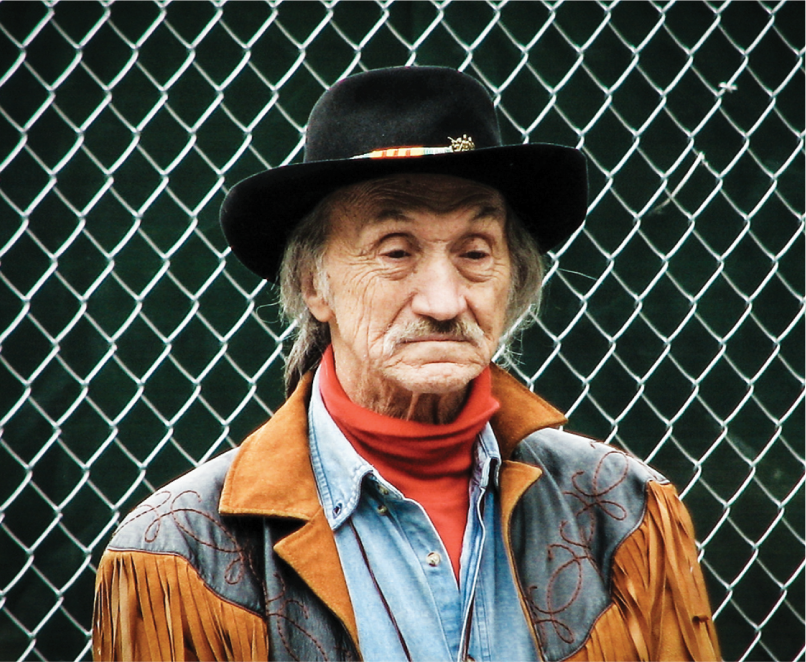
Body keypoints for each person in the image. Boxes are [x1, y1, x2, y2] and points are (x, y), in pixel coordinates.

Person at [92, 66, 720, 662]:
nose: (445, 302)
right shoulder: (182, 555)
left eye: (476, 251)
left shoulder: (623, 514)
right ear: (316, 284)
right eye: (396, 252)